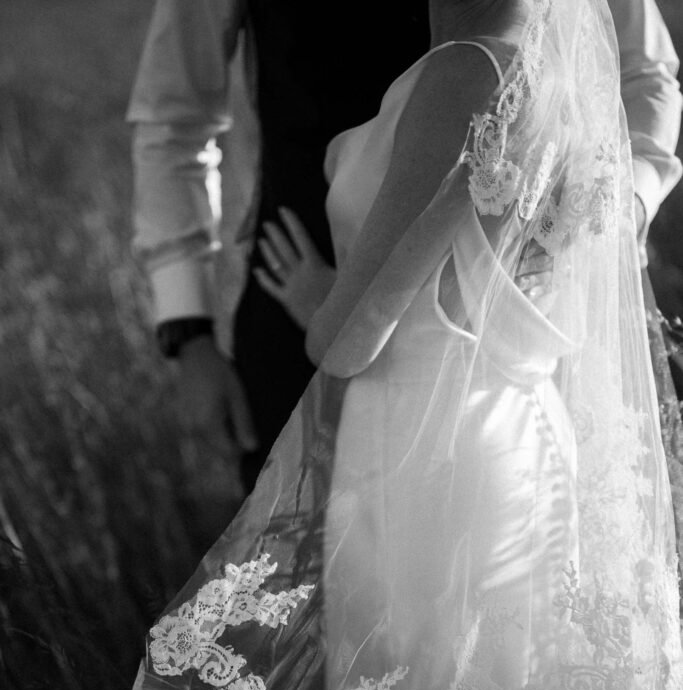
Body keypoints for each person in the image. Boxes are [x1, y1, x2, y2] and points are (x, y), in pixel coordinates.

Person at [38, 0, 683, 690]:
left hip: (412, 460)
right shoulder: (556, 79)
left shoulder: (461, 73)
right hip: (511, 436)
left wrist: (316, 303)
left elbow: (354, 335)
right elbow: (177, 112)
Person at [128, 0, 682, 492]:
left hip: (482, 348)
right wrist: (190, 330)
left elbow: (642, 77)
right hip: (294, 306)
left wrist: (587, 233)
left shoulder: (472, 65)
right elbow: (175, 117)